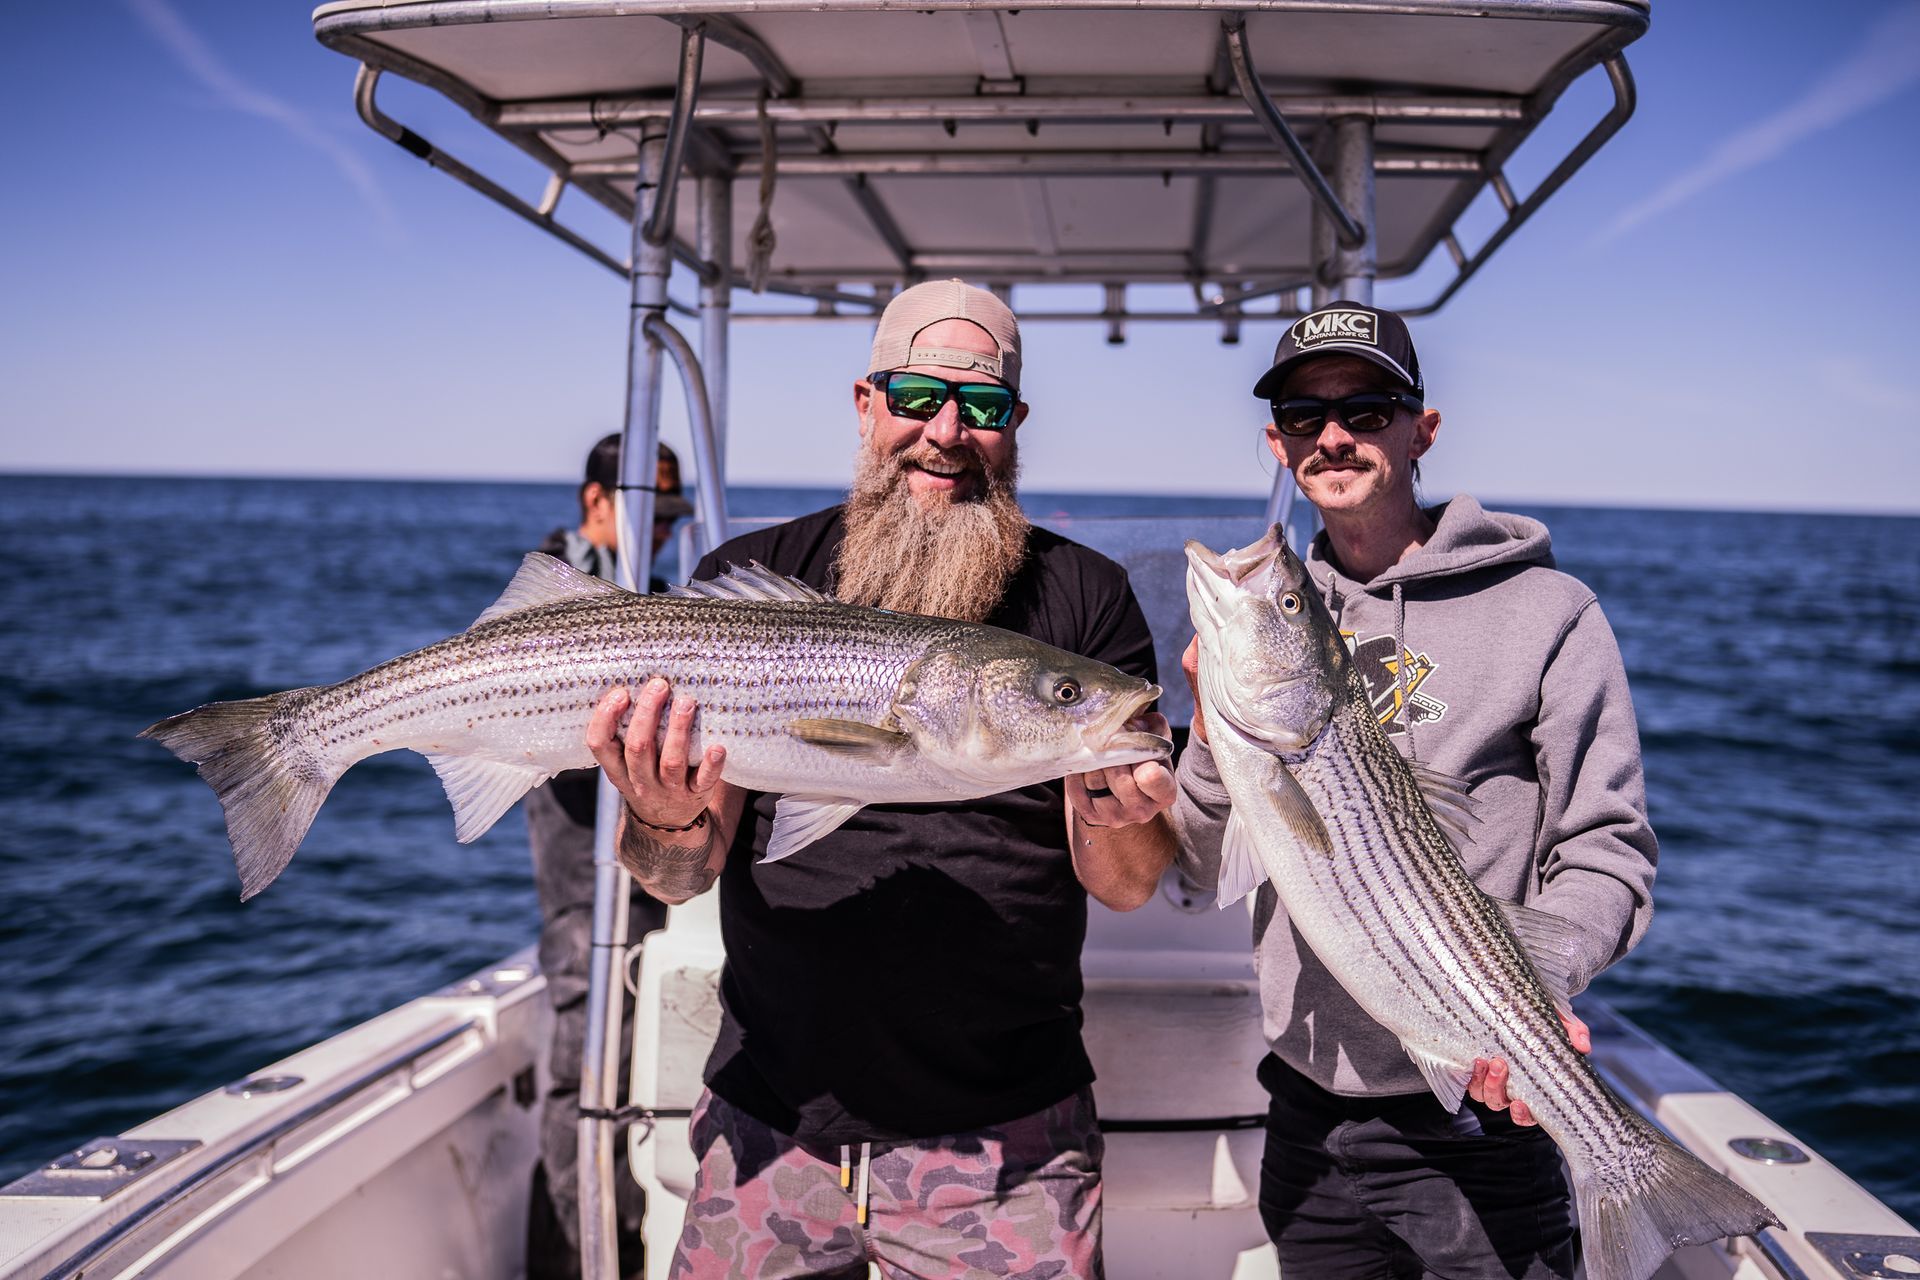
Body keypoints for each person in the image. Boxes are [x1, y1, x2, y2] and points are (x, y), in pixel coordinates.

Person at [583, 280, 1179, 1278]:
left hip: (1009, 1146)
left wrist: (1127, 814)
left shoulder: (1087, 599)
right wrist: (661, 814)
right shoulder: (755, 574)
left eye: (983, 407)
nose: (946, 432)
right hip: (768, 1125)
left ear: (1015, 424)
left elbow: (1123, 879)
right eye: (918, 396)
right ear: (867, 403)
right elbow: (677, 875)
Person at [1171, 301, 1659, 1279]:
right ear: (1277, 442)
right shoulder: (1265, 628)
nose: (1335, 435)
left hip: (1488, 1113)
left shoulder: (1547, 610)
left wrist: (1540, 991)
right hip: (1311, 1114)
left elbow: (1606, 843)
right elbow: (1200, 859)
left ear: (1422, 428)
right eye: (1305, 415)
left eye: (1371, 407)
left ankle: (1634, 1184)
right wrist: (1209, 732)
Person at [525, 435, 693, 1280]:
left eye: (674, 513)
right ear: (598, 500)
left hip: (657, 852)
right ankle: (567, 1255)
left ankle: (632, 1239)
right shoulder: (554, 590)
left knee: (646, 1029)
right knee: (580, 1042)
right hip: (578, 854)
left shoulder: (661, 600)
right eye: (653, 510)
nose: (664, 529)